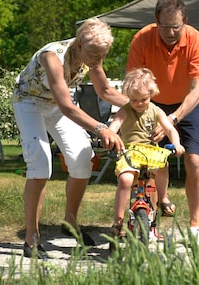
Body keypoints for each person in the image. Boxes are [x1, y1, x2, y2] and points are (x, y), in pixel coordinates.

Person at [13, 17, 128, 259]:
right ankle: (31, 238)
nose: (98, 62)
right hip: (29, 103)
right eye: (95, 56)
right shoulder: (52, 57)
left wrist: (141, 105)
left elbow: (105, 91)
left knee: (82, 157)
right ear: (78, 45)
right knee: (40, 163)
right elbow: (68, 107)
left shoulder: (91, 55)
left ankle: (70, 222)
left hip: (54, 106)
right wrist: (101, 128)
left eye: (102, 56)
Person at [126, 0, 199, 245]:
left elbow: (197, 89)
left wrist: (172, 120)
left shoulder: (197, 41)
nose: (171, 32)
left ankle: (195, 225)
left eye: (176, 26)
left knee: (194, 161)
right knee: (149, 161)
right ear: (156, 21)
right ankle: (149, 225)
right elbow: (133, 81)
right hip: (151, 102)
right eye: (165, 27)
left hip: (187, 104)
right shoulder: (142, 39)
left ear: (185, 22)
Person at [107, 68, 185, 241]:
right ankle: (118, 221)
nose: (139, 103)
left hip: (150, 150)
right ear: (128, 96)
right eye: (134, 100)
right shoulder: (125, 110)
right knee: (126, 180)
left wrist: (177, 144)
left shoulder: (155, 110)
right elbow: (114, 127)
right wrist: (111, 138)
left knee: (162, 166)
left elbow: (170, 128)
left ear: (151, 94)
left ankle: (163, 199)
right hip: (130, 151)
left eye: (144, 99)